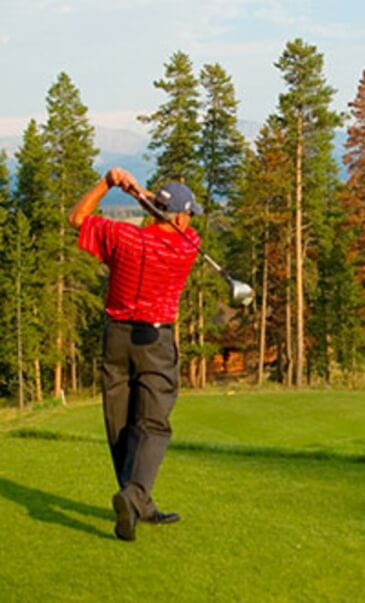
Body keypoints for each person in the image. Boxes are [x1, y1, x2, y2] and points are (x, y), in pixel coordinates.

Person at [68, 167, 202, 542]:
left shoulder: (120, 236)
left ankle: (138, 503)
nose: (189, 220)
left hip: (116, 339)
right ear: (178, 217)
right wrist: (140, 193)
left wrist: (110, 184)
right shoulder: (188, 245)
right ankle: (133, 495)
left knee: (121, 425)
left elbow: (77, 217)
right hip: (155, 343)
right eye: (187, 213)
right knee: (154, 423)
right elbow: (175, 223)